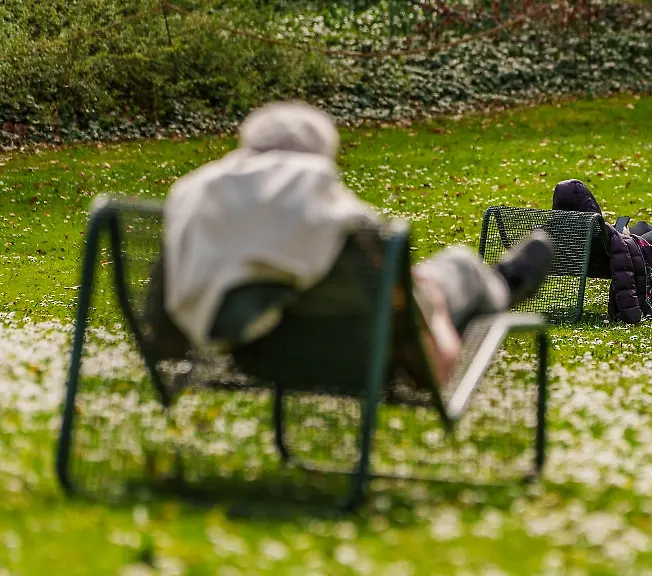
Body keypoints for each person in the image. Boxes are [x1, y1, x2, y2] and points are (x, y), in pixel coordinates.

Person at [152, 101, 553, 384]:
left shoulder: (197, 218)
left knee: (432, 273)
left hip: (254, 358)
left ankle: (486, 280)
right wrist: (431, 306)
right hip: (357, 358)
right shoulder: (340, 222)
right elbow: (439, 361)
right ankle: (501, 284)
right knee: (460, 267)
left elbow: (163, 333)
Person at [552, 179, 652, 323]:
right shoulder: (595, 228)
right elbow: (620, 251)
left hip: (597, 260)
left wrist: (613, 231)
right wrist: (623, 236)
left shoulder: (553, 231)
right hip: (628, 257)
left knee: (642, 226)